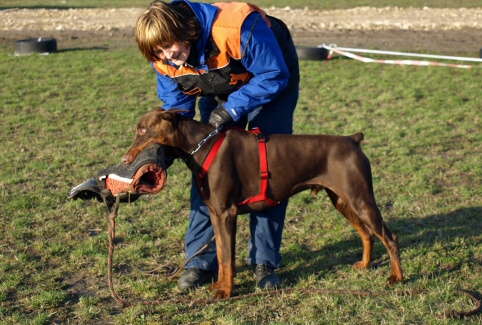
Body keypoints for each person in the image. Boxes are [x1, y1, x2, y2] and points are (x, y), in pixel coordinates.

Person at [135, 0, 299, 290]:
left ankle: (264, 262)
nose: (167, 56)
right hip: (218, 83)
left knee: (267, 167)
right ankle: (200, 261)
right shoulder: (163, 56)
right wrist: (161, 153)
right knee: (207, 168)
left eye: (168, 46)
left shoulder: (235, 27)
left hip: (270, 76)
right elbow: (176, 110)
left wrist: (231, 109)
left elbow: (273, 74)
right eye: (158, 52)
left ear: (184, 30)